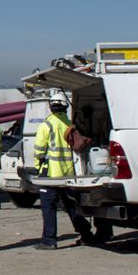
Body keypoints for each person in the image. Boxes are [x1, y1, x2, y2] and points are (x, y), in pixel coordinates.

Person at [32, 94, 93, 249]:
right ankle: (86, 233)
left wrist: (38, 165)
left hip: (51, 173)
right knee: (71, 205)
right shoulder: (70, 124)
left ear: (51, 107)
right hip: (68, 172)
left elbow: (39, 149)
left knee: (48, 207)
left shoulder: (47, 125)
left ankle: (49, 240)